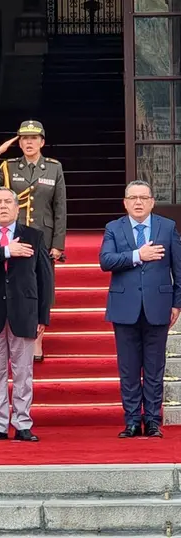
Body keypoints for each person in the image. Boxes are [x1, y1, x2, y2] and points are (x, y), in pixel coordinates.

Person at [0, 188, 53, 442]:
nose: (3, 206)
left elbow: (45, 278)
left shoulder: (34, 236)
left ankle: (23, 423)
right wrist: (5, 251)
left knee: (24, 372)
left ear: (17, 208)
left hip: (24, 312)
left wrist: (42, 316)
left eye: (8, 202)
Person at [99, 180, 181, 439]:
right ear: (125, 203)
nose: (138, 202)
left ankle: (153, 421)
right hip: (124, 308)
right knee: (129, 368)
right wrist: (137, 255)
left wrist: (177, 303)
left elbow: (178, 269)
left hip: (158, 306)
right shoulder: (114, 228)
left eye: (143, 198)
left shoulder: (167, 227)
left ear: (152, 202)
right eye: (132, 198)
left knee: (155, 368)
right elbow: (106, 260)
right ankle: (133, 420)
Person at [0, 120, 67, 362]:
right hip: (16, 236)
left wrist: (58, 243)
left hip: (43, 236)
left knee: (42, 287)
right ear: (19, 142)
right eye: (24, 139)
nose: (28, 143)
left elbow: (60, 207)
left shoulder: (53, 168)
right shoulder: (9, 167)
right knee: (21, 286)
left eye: (33, 138)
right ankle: (20, 334)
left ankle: (38, 340)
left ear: (42, 142)